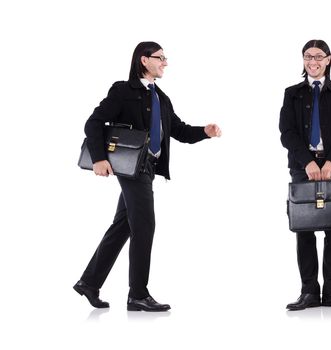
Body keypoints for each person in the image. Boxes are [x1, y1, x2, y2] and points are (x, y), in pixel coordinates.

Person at [74, 41, 222, 312]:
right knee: (144, 226)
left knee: (124, 225)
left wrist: (205, 131)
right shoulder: (123, 90)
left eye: (165, 59)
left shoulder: (161, 97)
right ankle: (137, 295)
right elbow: (93, 123)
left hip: (148, 169)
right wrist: (98, 158)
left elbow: (178, 130)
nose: (165, 63)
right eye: (160, 58)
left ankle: (89, 282)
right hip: (131, 168)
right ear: (144, 60)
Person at [279, 39, 331, 311]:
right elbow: (287, 132)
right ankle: (309, 292)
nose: (312, 61)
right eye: (307, 56)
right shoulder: (292, 93)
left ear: (328, 59)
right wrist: (308, 163)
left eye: (317, 56)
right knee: (304, 228)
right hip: (303, 167)